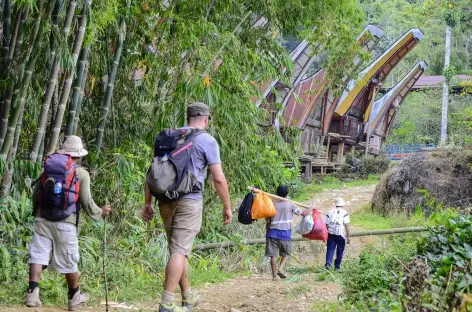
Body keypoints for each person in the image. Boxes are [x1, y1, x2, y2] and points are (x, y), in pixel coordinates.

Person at [142, 102, 232, 312]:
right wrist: (227, 206)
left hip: (164, 200)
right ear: (206, 119)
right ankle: (165, 303)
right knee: (180, 251)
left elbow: (152, 172)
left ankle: (187, 297)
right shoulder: (207, 140)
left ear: (188, 117)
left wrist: (147, 203)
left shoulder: (168, 137)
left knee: (178, 251)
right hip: (189, 200)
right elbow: (218, 179)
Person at [26, 136, 112, 310]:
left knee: (38, 255)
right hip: (66, 222)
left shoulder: (48, 169)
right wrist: (100, 212)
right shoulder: (81, 173)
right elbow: (86, 202)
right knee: (70, 260)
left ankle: (32, 294)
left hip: (42, 218)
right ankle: (74, 297)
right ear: (79, 156)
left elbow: (36, 193)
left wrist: (36, 213)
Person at [266, 185, 311, 280]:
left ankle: (274, 276)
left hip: (272, 232)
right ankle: (281, 269)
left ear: (277, 193)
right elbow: (303, 213)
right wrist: (311, 208)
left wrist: (267, 233)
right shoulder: (290, 204)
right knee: (286, 253)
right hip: (284, 233)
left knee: (272, 255)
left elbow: (268, 221)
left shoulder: (272, 204)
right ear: (287, 194)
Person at [325, 198, 350, 270]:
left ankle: (328, 264)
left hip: (331, 234)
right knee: (340, 250)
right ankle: (337, 267)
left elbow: (326, 225)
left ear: (336, 204)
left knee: (330, 249)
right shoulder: (345, 213)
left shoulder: (330, 212)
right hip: (341, 235)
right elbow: (347, 225)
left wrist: (325, 235)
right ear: (342, 204)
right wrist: (348, 236)